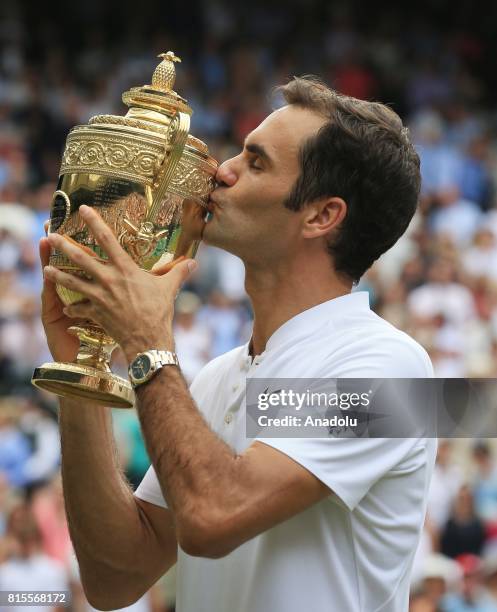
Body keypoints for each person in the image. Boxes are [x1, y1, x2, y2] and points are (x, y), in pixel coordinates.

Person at [40, 78, 436, 612]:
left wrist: (146, 340)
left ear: (322, 216)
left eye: (255, 162)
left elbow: (213, 517)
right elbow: (115, 576)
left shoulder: (392, 368)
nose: (220, 171)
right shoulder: (218, 375)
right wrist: (82, 369)